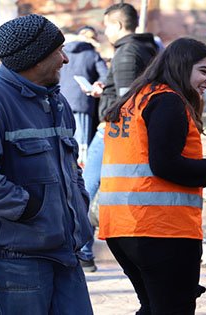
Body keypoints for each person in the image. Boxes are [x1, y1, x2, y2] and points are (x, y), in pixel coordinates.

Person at [98, 37, 206, 315]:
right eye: (204, 71)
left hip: (123, 226)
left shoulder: (135, 100)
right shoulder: (168, 101)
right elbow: (165, 165)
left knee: (152, 307)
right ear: (182, 67)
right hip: (160, 228)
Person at [0, 14, 93, 314]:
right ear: (35, 57)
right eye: (58, 52)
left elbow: (70, 165)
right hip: (14, 261)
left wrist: (79, 202)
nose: (65, 60)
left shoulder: (58, 101)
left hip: (66, 251)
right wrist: (30, 208)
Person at [80, 2, 158, 272]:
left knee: (86, 189)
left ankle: (82, 251)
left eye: (106, 26)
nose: (105, 32)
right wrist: (106, 90)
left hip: (113, 131)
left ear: (117, 24)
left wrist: (106, 105)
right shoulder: (149, 48)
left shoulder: (126, 53)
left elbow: (127, 103)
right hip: (128, 131)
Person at [59, 26, 108, 166]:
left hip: (61, 101)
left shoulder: (63, 51)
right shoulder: (92, 54)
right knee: (82, 146)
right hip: (83, 102)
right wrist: (98, 85)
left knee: (63, 142)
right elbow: (105, 76)